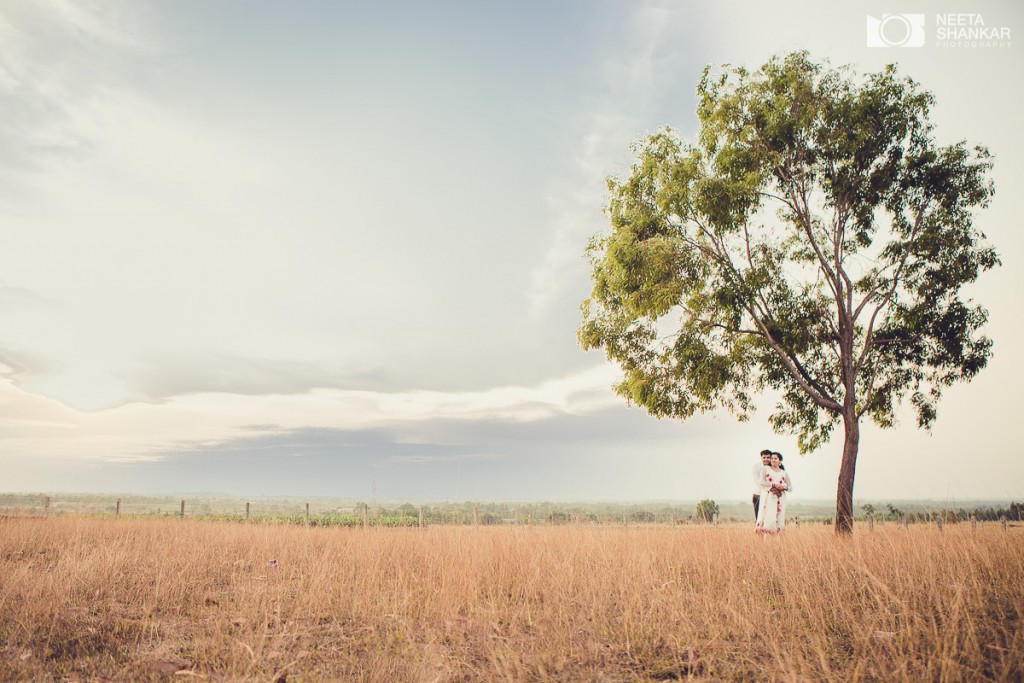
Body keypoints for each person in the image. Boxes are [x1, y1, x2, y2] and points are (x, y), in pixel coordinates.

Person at [755, 452, 793, 535]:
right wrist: (773, 485)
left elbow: (790, 487)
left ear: (780, 461)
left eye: (775, 458)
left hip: (780, 497)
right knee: (769, 518)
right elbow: (761, 482)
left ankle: (778, 543)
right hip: (769, 496)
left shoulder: (783, 473)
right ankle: (766, 542)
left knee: (779, 518)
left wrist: (782, 487)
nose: (773, 460)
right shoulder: (765, 469)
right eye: (772, 458)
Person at [751, 449, 772, 520]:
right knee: (759, 517)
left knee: (769, 517)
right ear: (761, 458)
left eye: (768, 457)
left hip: (771, 495)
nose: (766, 459)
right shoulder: (756, 467)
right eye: (764, 457)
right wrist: (771, 486)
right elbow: (757, 482)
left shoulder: (774, 467)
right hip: (758, 494)